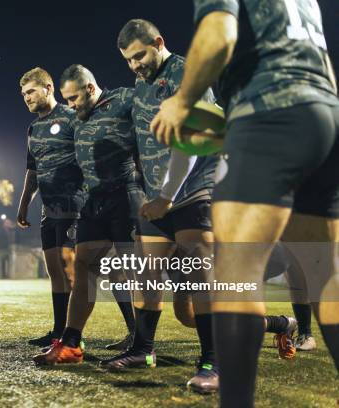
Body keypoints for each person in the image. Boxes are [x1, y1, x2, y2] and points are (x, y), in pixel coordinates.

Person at [151, 1, 338, 407]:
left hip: (270, 112)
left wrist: (183, 100)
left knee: (235, 270)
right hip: (324, 112)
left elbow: (220, 35)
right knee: (327, 274)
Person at [99, 19, 220, 394]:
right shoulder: (141, 83)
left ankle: (215, 363)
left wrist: (167, 195)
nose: (135, 65)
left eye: (139, 55)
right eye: (128, 60)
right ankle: (143, 350)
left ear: (158, 42)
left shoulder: (187, 72)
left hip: (193, 190)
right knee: (148, 275)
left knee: (199, 276)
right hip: (157, 198)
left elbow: (193, 137)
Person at [33, 65, 146, 365]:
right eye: (66, 100)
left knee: (136, 273)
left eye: (74, 99)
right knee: (84, 267)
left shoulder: (123, 99)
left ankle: (144, 345)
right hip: (94, 201)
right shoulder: (78, 118)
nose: (70, 106)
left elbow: (154, 123)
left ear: (91, 89)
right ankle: (71, 343)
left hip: (127, 196)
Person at [17, 67, 83, 348]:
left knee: (73, 272)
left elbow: (87, 157)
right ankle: (58, 332)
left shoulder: (71, 117)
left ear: (48, 88)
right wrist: (23, 206)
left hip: (75, 207)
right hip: (49, 210)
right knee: (55, 271)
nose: (27, 98)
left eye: (31, 91)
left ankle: (74, 335)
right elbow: (32, 171)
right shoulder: (33, 128)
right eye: (23, 94)